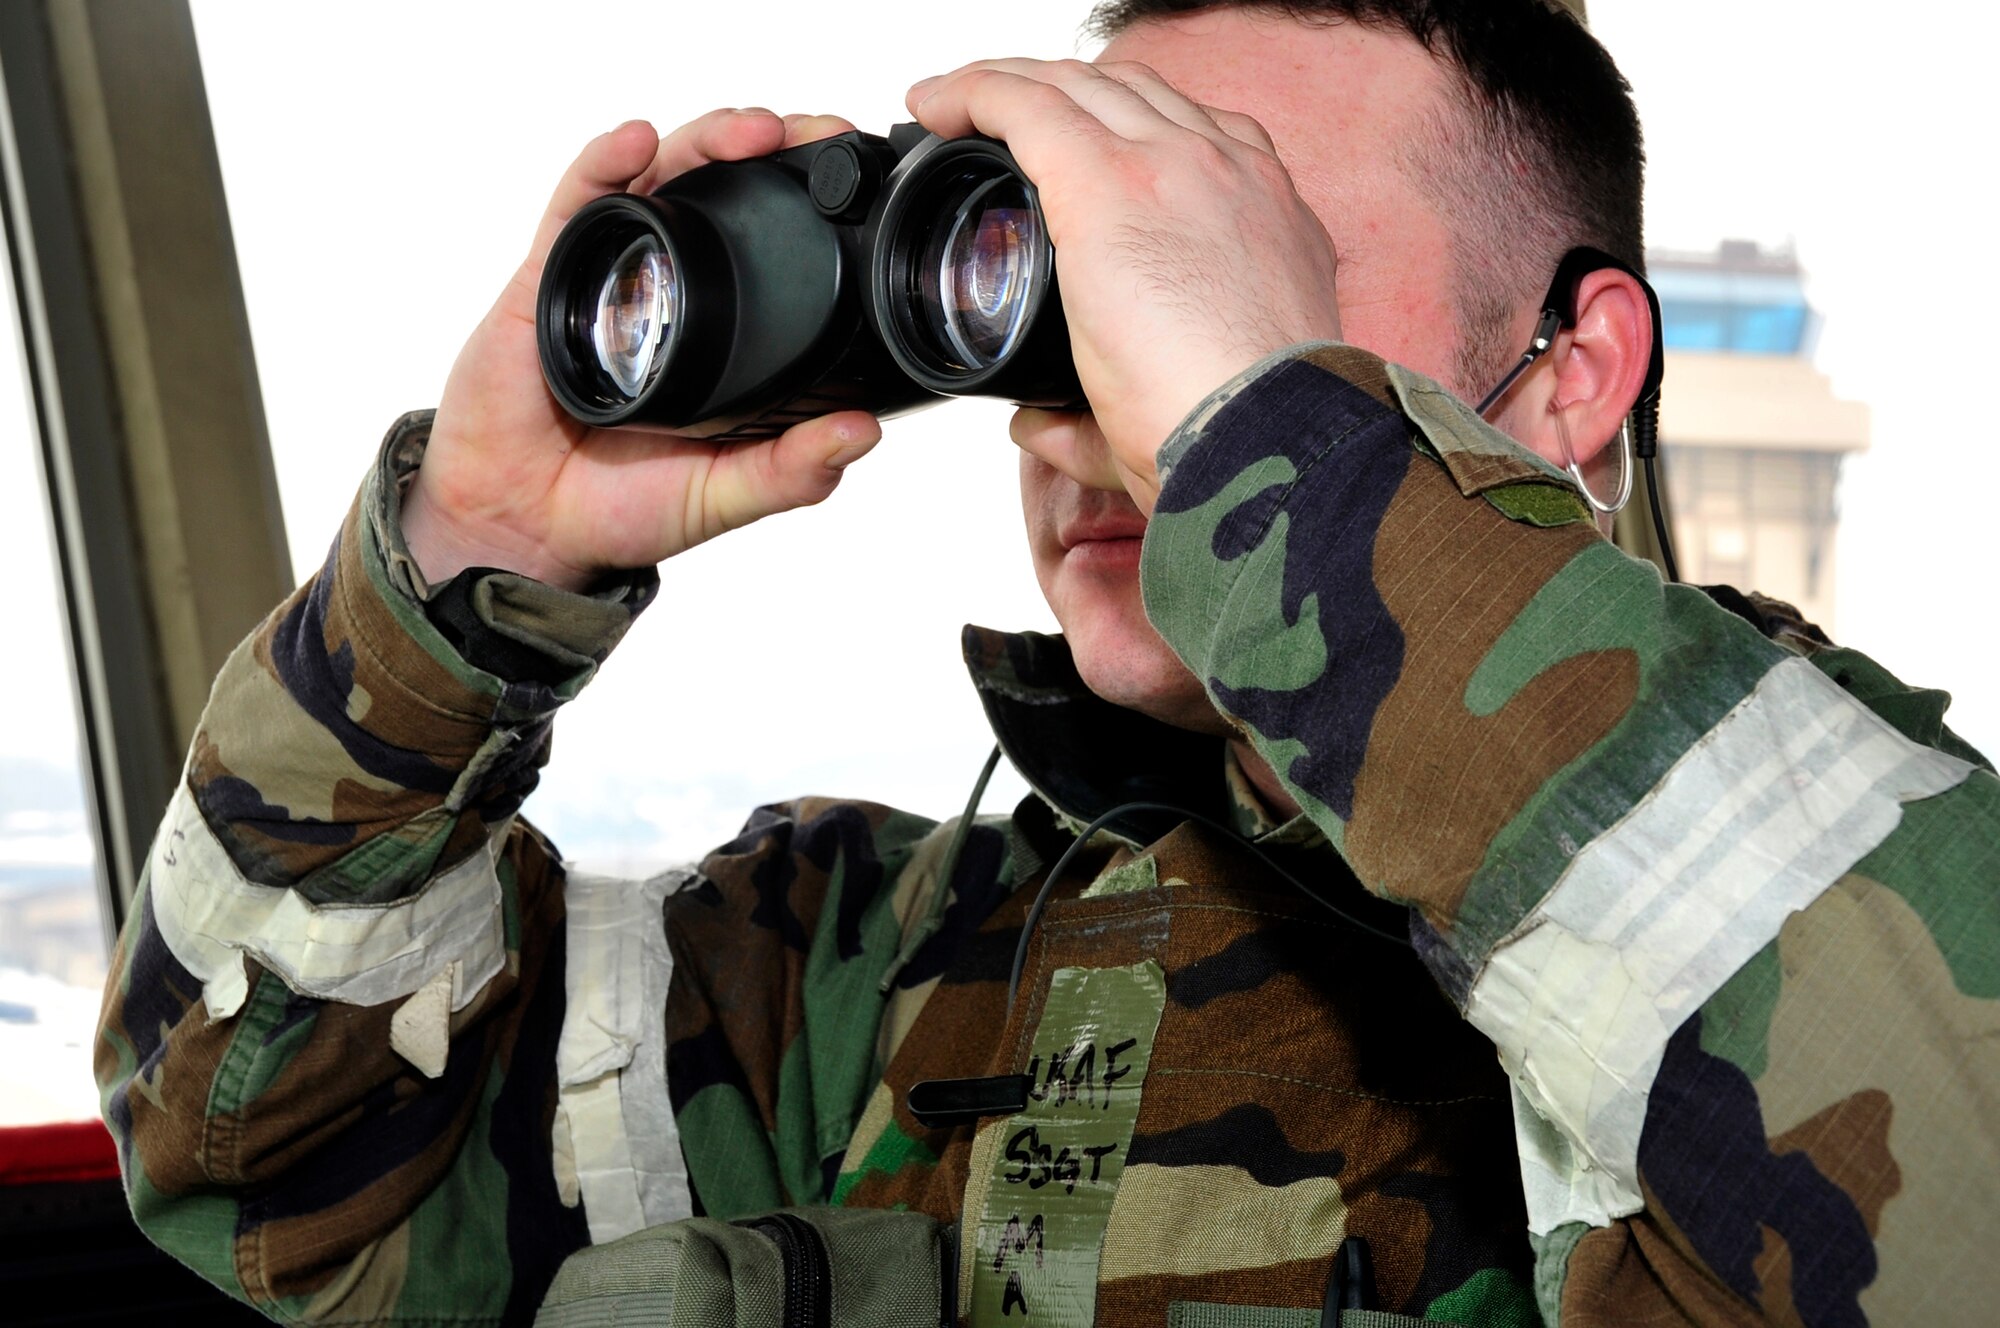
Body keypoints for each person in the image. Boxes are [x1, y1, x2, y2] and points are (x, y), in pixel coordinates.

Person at [96, 1, 1999, 1324]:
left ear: (1578, 370)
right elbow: (268, 1181)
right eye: (1061, 268)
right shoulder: (884, 963)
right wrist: (468, 570)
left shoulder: (1806, 898)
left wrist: (1280, 449)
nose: (1095, 389)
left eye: (1216, 259)